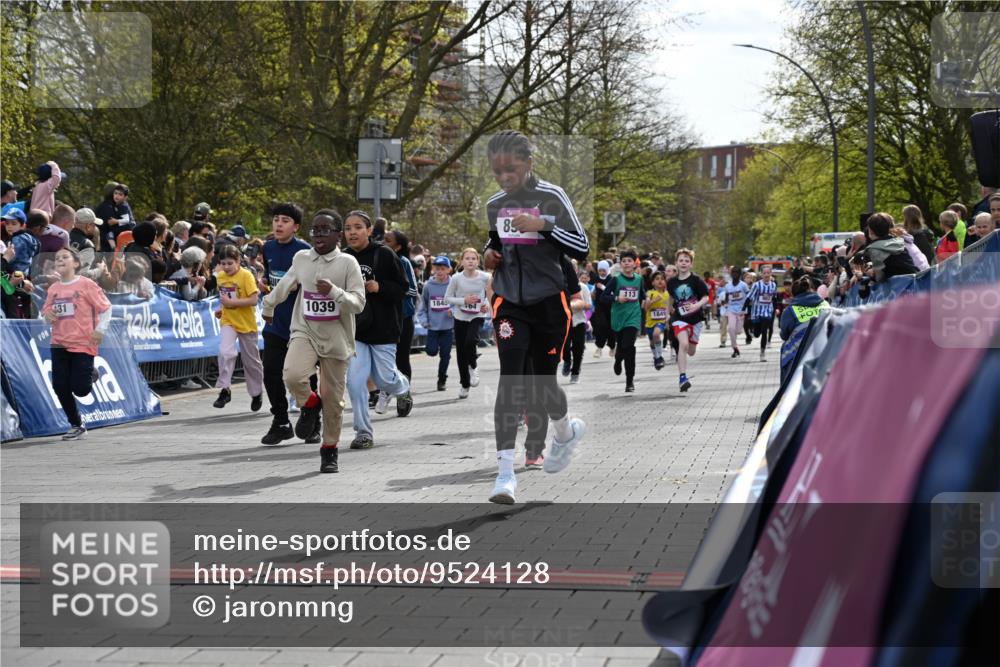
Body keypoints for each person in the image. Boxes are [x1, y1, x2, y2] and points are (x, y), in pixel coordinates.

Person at [482, 129, 587, 503]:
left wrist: (544, 226)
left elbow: (582, 246)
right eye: (497, 172)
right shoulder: (495, 204)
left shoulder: (552, 197)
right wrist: (488, 256)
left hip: (548, 302)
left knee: (543, 385)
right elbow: (494, 244)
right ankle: (505, 474)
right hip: (510, 300)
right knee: (510, 379)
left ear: (528, 163)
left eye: (511, 170)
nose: (504, 178)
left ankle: (564, 432)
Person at [262, 210, 365, 472]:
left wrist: (334, 291)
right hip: (304, 329)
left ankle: (329, 450)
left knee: (334, 401)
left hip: (336, 337)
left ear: (337, 235)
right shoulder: (302, 258)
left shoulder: (347, 264)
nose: (319, 235)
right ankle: (310, 403)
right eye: (315, 230)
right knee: (292, 375)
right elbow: (285, 283)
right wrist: (269, 306)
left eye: (325, 230)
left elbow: (358, 303)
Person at [342, 210, 412, 450]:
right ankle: (363, 432)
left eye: (358, 227)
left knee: (384, 378)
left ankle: (403, 388)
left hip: (384, 329)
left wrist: (379, 286)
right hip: (356, 330)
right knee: (354, 382)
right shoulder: (342, 257)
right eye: (348, 228)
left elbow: (404, 289)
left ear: (369, 230)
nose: (352, 232)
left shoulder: (385, 254)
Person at [258, 202, 315, 446]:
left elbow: (311, 283)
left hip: (301, 324)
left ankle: (312, 419)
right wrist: (264, 283)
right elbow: (270, 275)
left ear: (296, 227)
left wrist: (298, 285)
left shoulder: (304, 251)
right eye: (276, 219)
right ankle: (280, 421)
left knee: (304, 375)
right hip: (275, 323)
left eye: (285, 221)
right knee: (271, 372)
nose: (279, 224)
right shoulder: (268, 247)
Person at [41, 247, 112, 440]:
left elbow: (106, 308)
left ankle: (90, 373)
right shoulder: (54, 289)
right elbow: (45, 314)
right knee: (59, 385)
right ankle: (77, 424)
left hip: (83, 342)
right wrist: (47, 315)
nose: (60, 260)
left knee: (81, 389)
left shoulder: (86, 284)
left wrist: (100, 330)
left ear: (76, 263)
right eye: (57, 258)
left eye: (65, 257)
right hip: (59, 343)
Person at [212, 245, 265, 412]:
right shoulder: (220, 277)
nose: (226, 267)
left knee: (251, 361)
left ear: (238, 261)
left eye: (230, 263)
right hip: (229, 321)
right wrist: (222, 308)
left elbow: (254, 300)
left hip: (246, 323)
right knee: (225, 352)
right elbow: (225, 297)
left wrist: (232, 303)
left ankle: (256, 393)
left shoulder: (246, 276)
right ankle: (225, 389)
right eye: (223, 263)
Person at [447, 247, 491, 397]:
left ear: (478, 261)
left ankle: (473, 366)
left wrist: (487, 304)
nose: (470, 261)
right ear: (462, 261)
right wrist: (463, 300)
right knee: (461, 352)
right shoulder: (456, 278)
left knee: (470, 342)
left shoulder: (485, 277)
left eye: (473, 258)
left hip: (477, 315)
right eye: (467, 258)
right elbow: (447, 298)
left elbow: (492, 294)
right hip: (460, 316)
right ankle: (464, 384)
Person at [665, 248, 709, 392]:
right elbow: (671, 298)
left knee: (691, 351)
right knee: (682, 344)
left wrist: (696, 305)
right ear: (676, 263)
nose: (683, 263)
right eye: (681, 261)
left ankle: (691, 336)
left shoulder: (696, 280)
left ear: (691, 264)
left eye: (687, 261)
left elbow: (706, 297)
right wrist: (667, 314)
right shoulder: (671, 282)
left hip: (695, 319)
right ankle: (682, 377)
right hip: (679, 318)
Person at [601, 248, 645, 393]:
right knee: (622, 346)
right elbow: (603, 297)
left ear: (634, 264)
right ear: (620, 264)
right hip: (619, 318)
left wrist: (647, 301)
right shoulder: (616, 280)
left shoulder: (639, 280)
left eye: (629, 261)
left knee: (629, 346)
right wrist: (616, 298)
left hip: (633, 317)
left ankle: (629, 381)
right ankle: (618, 359)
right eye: (624, 261)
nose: (626, 263)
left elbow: (642, 296)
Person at [779, 275, 829, 382]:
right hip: (824, 351)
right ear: (812, 290)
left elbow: (784, 335)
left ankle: (785, 390)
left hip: (798, 354)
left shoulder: (790, 310)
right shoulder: (825, 304)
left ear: (793, 294)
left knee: (785, 348)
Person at [384, 230, 419, 383]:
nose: (383, 243)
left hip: (404, 317)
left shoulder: (404, 262)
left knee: (402, 358)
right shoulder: (379, 260)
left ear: (397, 247)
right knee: (384, 359)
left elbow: (413, 290)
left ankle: (404, 393)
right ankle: (380, 393)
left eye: (388, 241)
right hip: (384, 317)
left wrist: (392, 290)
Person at [416, 255, 455, 392]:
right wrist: (425, 322)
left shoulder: (453, 284)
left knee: (445, 355)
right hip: (433, 326)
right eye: (437, 268)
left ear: (449, 270)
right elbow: (423, 306)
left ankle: (442, 379)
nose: (440, 271)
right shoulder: (428, 286)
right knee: (431, 352)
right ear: (433, 269)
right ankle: (433, 348)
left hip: (447, 327)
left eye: (443, 269)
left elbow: (458, 301)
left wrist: (453, 310)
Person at [866, 212, 918, 282]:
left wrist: (871, 274)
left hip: (900, 286)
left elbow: (879, 277)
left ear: (871, 231)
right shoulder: (898, 241)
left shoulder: (874, 248)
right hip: (915, 280)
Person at [562, 268, 592, 383]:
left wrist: (578, 304)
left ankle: (575, 373)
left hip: (579, 321)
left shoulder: (582, 287)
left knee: (578, 348)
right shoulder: (558, 287)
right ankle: (567, 360)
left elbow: (589, 305)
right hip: (564, 321)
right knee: (564, 346)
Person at [745, 264, 777, 362]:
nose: (766, 275)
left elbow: (774, 298)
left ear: (771, 274)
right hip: (757, 311)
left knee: (764, 332)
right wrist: (743, 308)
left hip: (767, 311)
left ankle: (762, 353)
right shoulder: (757, 285)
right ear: (761, 274)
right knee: (757, 334)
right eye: (764, 273)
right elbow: (749, 297)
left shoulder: (773, 285)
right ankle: (753, 330)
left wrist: (775, 309)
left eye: (768, 273)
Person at [643, 270, 670, 371]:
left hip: (661, 321)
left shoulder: (667, 294)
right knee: (652, 341)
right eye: (657, 279)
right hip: (650, 322)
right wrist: (654, 300)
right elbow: (646, 307)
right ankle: (656, 357)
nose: (660, 281)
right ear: (652, 282)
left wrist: (670, 314)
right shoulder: (650, 293)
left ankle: (659, 357)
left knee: (656, 334)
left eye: (662, 279)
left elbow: (669, 306)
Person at [95, 183, 135, 252]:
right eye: (115, 193)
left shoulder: (116, 206)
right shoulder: (109, 207)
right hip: (109, 246)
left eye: (120, 194)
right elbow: (112, 225)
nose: (117, 196)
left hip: (105, 242)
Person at [3, 208, 41, 276]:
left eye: (13, 223)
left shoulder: (17, 239)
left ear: (23, 226)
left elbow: (11, 258)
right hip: (24, 272)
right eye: (7, 223)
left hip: (14, 274)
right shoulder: (30, 238)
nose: (9, 226)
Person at [720, 267, 749, 359]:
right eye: (733, 272)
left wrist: (746, 307)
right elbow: (727, 298)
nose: (735, 274)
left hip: (741, 310)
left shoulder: (743, 285)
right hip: (731, 310)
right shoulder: (728, 286)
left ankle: (735, 343)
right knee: (731, 329)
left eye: (737, 272)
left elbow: (749, 297)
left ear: (740, 275)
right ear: (731, 274)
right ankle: (735, 348)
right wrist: (724, 303)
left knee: (738, 331)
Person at [590, 260, 615, 357]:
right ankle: (599, 348)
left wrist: (603, 287)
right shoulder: (596, 278)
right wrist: (592, 293)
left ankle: (612, 347)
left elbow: (613, 293)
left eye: (603, 270)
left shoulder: (611, 279)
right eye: (600, 270)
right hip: (599, 307)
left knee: (610, 328)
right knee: (600, 326)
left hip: (609, 307)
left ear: (607, 269)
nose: (602, 273)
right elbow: (593, 289)